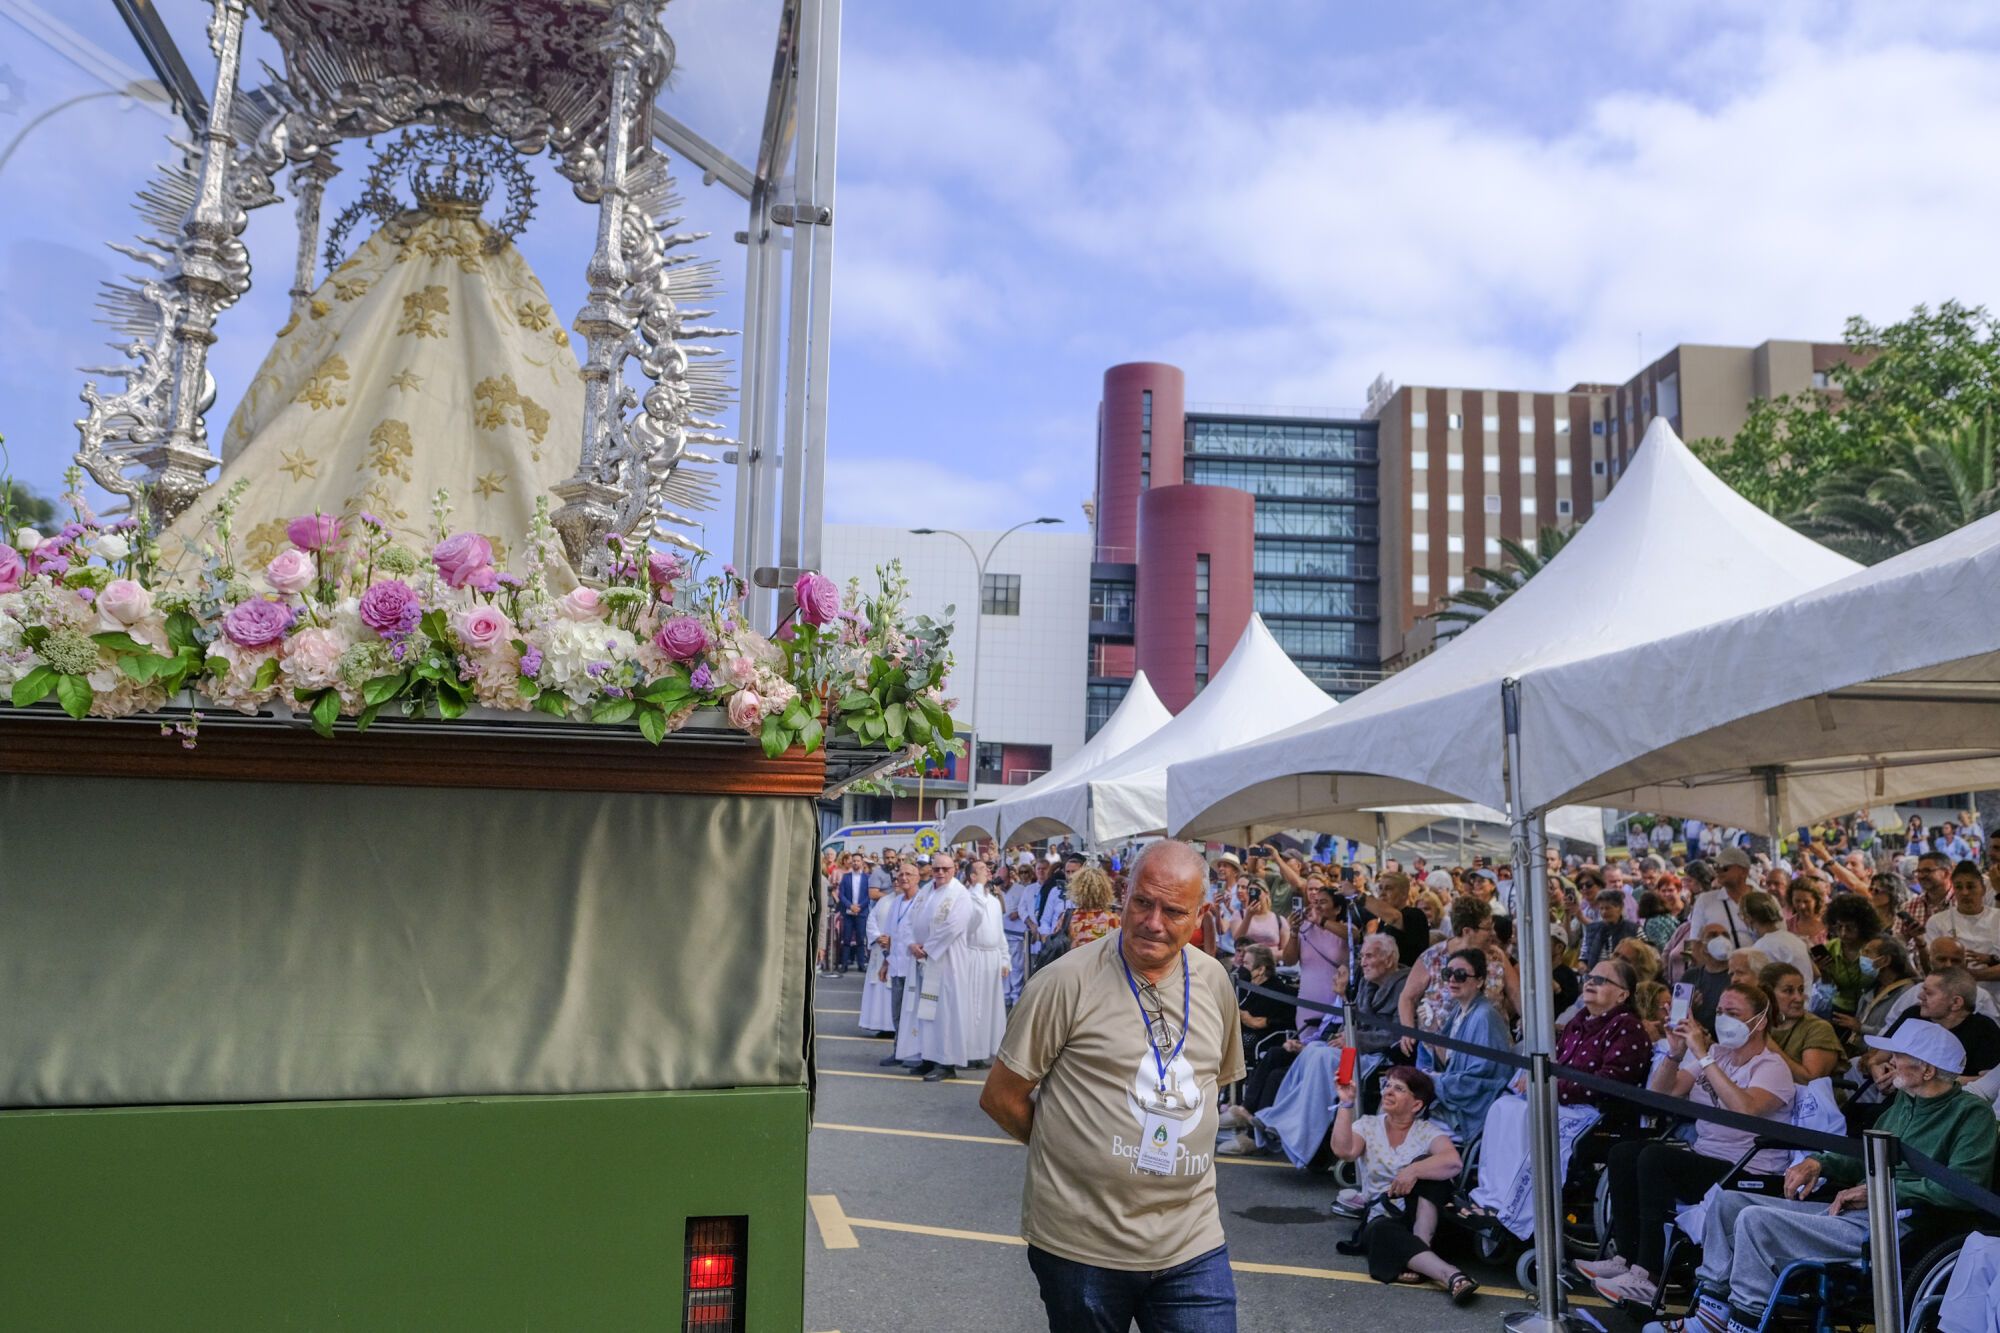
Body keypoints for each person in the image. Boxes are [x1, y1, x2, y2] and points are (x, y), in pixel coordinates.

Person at [981, 840, 1246, 1333]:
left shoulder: (1214, 982)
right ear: (1123, 895)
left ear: (1201, 913)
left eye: (1173, 910)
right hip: (1082, 1244)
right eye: (1143, 902)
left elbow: (1213, 1085)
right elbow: (1001, 1095)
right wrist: (1071, 1151)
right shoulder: (1064, 982)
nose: (1153, 922)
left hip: (1192, 1239)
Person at [1648, 1020, 1997, 1333]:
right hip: (1867, 1210)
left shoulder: (1971, 1116)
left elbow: (1963, 1188)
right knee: (1728, 1201)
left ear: (1927, 1070)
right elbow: (1863, 1158)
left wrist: (1885, 1192)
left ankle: (1746, 1320)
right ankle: (1711, 1312)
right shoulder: (1904, 1102)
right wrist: (1820, 1163)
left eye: (1899, 1056)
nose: (1890, 1062)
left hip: (1904, 1225)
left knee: (1756, 1220)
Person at [1585, 982, 1797, 1305]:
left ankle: (1649, 1275)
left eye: (1734, 1013)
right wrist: (1675, 1054)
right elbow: (1663, 1094)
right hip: (1707, 1157)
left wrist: (1702, 1055)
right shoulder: (1717, 1055)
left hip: (1748, 1168)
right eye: (1721, 1012)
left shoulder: (1771, 1067)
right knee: (1624, 1153)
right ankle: (1625, 1259)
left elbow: (1746, 1109)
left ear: (1760, 1021)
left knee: (1656, 1159)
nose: (1724, 1019)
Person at [1328, 1066, 1480, 1304]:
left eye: (1398, 1089)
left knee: (1428, 1169)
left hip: (1422, 1219)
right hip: (1385, 1217)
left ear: (1417, 1105)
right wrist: (1345, 1103)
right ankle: (1451, 1275)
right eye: (1387, 1085)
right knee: (1379, 1230)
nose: (1388, 1092)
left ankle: (1418, 1249)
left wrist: (1413, 1170)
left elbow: (1453, 1163)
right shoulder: (1368, 1125)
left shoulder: (1426, 1131)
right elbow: (1344, 1151)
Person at [1414, 948, 1513, 1141]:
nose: (1452, 980)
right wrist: (1432, 1029)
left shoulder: (1484, 1016)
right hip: (1457, 1095)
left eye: (1460, 975)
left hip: (1473, 1107)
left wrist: (1433, 1081)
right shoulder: (1460, 1012)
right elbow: (1449, 1063)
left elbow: (1481, 1079)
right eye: (1447, 974)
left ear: (1480, 981)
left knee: (1404, 1110)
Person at [907, 851, 977, 1082]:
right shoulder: (926, 891)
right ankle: (928, 1056)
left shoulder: (960, 894)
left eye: (945, 869)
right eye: (936, 869)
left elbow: (954, 926)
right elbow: (910, 919)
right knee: (927, 1010)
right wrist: (912, 944)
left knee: (945, 1011)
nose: (940, 873)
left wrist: (927, 947)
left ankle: (946, 1062)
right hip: (924, 959)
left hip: (947, 961)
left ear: (954, 869)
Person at [1925, 860, 2000, 1007]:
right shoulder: (1937, 922)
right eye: (1959, 887)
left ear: (1983, 890)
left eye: (1971, 887)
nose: (1965, 892)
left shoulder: (1998, 917)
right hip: (1954, 1000)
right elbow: (1934, 965)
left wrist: (1972, 974)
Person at [1758, 962, 1844, 1083]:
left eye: (1801, 990)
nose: (1799, 998)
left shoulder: (1818, 1028)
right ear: (1767, 994)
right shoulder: (1760, 1024)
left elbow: (1810, 1080)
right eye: (1788, 991)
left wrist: (1770, 1046)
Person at [963, 858, 1011, 1067]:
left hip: (992, 958)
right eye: (982, 869)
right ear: (972, 877)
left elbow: (999, 933)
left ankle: (982, 1050)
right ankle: (968, 1051)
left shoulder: (992, 900)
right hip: (973, 956)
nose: (988, 871)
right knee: (973, 1006)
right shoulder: (967, 898)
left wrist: (1004, 958)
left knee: (989, 1008)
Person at [858, 868, 911, 1036]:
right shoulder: (884, 900)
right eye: (894, 879)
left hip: (897, 952)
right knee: (880, 988)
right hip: (879, 950)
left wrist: (892, 941)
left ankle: (895, 1026)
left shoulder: (911, 902)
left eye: (900, 879)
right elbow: (871, 919)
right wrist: (877, 937)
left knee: (893, 989)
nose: (897, 882)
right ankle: (882, 1025)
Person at [1740, 890, 1813, 982]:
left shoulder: (1760, 948)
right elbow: (1816, 974)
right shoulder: (1794, 939)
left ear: (1749, 918)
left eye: (1741, 916)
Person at [1002, 864, 1037, 1005]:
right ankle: (1005, 994)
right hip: (1003, 933)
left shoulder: (1023, 889)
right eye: (1021, 872)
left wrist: (1018, 913)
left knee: (1016, 966)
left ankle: (1016, 993)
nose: (1023, 875)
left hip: (1017, 934)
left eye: (1026, 872)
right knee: (1004, 965)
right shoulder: (996, 891)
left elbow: (1025, 908)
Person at [1065, 865, 1119, 949]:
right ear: (1105, 890)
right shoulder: (1113, 919)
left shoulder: (1068, 917)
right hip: (1101, 961)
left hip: (1074, 960)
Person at [1785, 878, 1828, 947]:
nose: (1802, 906)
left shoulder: (1828, 925)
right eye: (1797, 901)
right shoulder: (1788, 926)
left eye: (1806, 901)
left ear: (1816, 901)